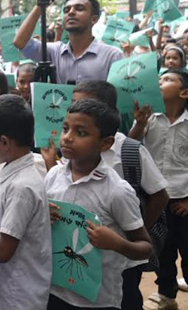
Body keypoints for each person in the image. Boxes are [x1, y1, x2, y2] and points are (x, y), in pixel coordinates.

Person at [70, 81, 169, 310]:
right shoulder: (72, 150)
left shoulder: (129, 151)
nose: (75, 110)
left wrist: (133, 232)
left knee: (126, 296)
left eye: (83, 104)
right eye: (73, 104)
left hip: (122, 253)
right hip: (85, 249)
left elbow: (160, 195)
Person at [46, 99, 153, 309]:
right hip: (54, 289)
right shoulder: (53, 175)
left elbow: (145, 248)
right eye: (66, 128)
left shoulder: (117, 191)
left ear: (105, 143)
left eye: (81, 133)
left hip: (98, 300)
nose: (67, 138)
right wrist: (42, 214)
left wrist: (117, 243)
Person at [0, 95, 52, 310]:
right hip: (1, 290)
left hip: (16, 297)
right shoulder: (6, 168)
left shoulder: (22, 186)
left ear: (4, 142)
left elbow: (3, 251)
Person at [129, 69, 188, 310]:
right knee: (162, 250)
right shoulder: (148, 117)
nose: (159, 82)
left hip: (184, 200)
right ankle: (166, 294)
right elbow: (131, 145)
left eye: (167, 79)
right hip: (156, 200)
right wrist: (139, 124)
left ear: (184, 92)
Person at [13, 0, 123, 84]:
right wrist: (40, 5)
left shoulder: (112, 56)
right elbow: (20, 42)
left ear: (94, 19)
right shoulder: (54, 51)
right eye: (66, 10)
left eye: (79, 8)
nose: (71, 12)